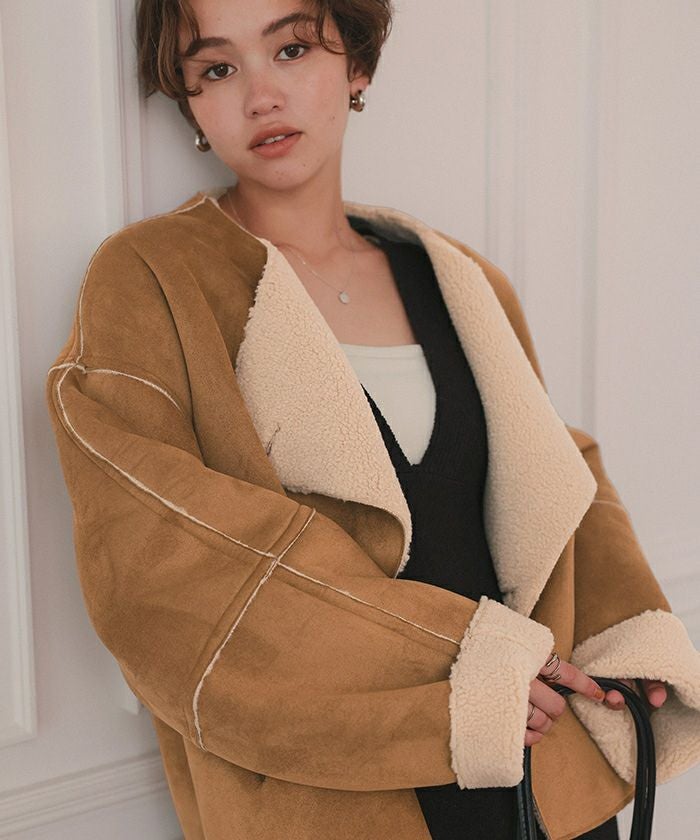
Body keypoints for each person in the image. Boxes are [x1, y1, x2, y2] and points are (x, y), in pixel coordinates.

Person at [45, 1, 700, 838]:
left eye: (291, 49)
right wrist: (466, 678)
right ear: (190, 100)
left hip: (541, 783)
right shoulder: (151, 281)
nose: (260, 96)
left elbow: (560, 483)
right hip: (331, 800)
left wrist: (626, 650)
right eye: (217, 68)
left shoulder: (458, 278)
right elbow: (160, 568)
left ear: (356, 61)